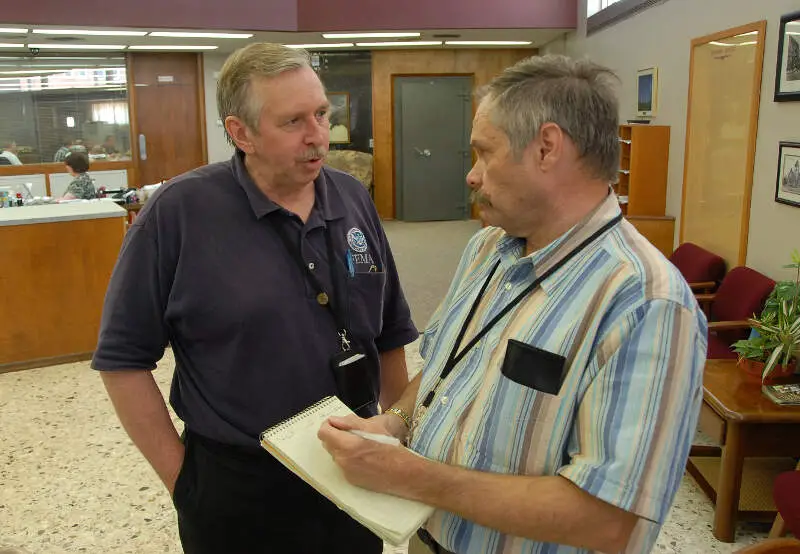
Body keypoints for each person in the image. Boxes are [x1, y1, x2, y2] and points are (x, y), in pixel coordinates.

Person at [318, 54, 708, 554]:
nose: (471, 176)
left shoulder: (647, 304)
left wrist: (416, 477)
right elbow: (447, 369)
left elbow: (609, 523)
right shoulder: (487, 249)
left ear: (547, 147)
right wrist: (393, 422)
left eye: (484, 153)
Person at [92, 42, 418, 554]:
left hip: (356, 466)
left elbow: (392, 331)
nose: (318, 137)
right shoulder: (179, 213)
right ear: (240, 132)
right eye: (293, 122)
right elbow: (122, 361)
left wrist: (399, 437)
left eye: (321, 114)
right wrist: (184, 485)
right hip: (239, 486)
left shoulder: (351, 197)